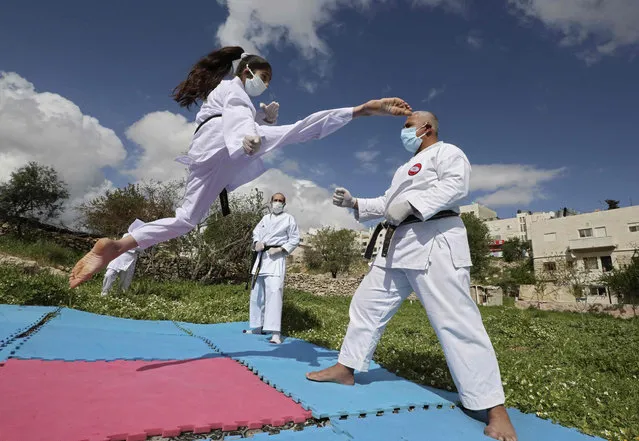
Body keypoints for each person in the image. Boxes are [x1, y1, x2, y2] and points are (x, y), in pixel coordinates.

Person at [68, 46, 412, 289]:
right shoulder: (232, 91)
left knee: (186, 219)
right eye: (264, 77)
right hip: (223, 143)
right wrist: (248, 134)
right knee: (296, 132)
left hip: (208, 155)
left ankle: (121, 246)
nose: (265, 83)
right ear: (246, 72)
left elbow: (238, 116)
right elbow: (235, 117)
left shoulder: (231, 96)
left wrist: (260, 118)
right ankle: (363, 109)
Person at [306, 111, 517, 441]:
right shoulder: (403, 169)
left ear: (427, 128)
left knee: (456, 321)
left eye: (407, 126)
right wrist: (354, 202)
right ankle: (346, 368)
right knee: (366, 306)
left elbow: (456, 186)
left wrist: (413, 203)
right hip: (398, 244)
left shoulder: (448, 152)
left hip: (436, 240)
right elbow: (389, 204)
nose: (403, 132)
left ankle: (493, 407)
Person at [244, 192, 299, 344]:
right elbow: (256, 233)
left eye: (280, 201)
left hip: (275, 259)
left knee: (275, 293)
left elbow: (295, 239)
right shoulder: (265, 218)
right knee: (257, 294)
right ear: (270, 202)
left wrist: (282, 249)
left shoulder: (289, 219)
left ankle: (275, 333)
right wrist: (256, 243)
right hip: (261, 258)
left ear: (284, 204)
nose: (277, 203)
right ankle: (256, 326)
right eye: (275, 200)